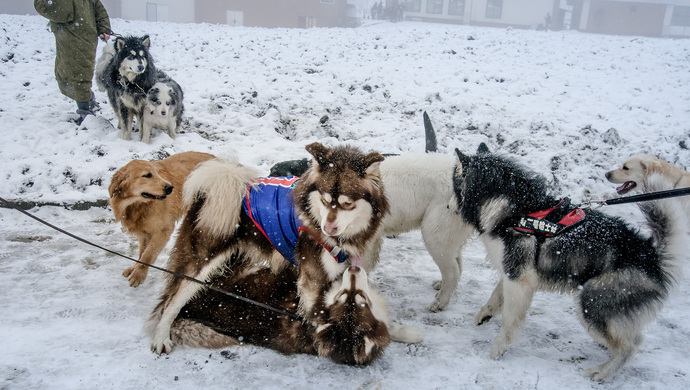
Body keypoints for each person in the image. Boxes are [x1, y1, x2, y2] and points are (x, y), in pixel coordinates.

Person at [34, 0, 112, 122]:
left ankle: (85, 111)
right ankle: (87, 103)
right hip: (77, 36)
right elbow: (97, 8)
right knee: (76, 73)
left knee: (77, 74)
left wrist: (104, 28)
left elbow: (59, 12)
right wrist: (103, 28)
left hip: (76, 36)